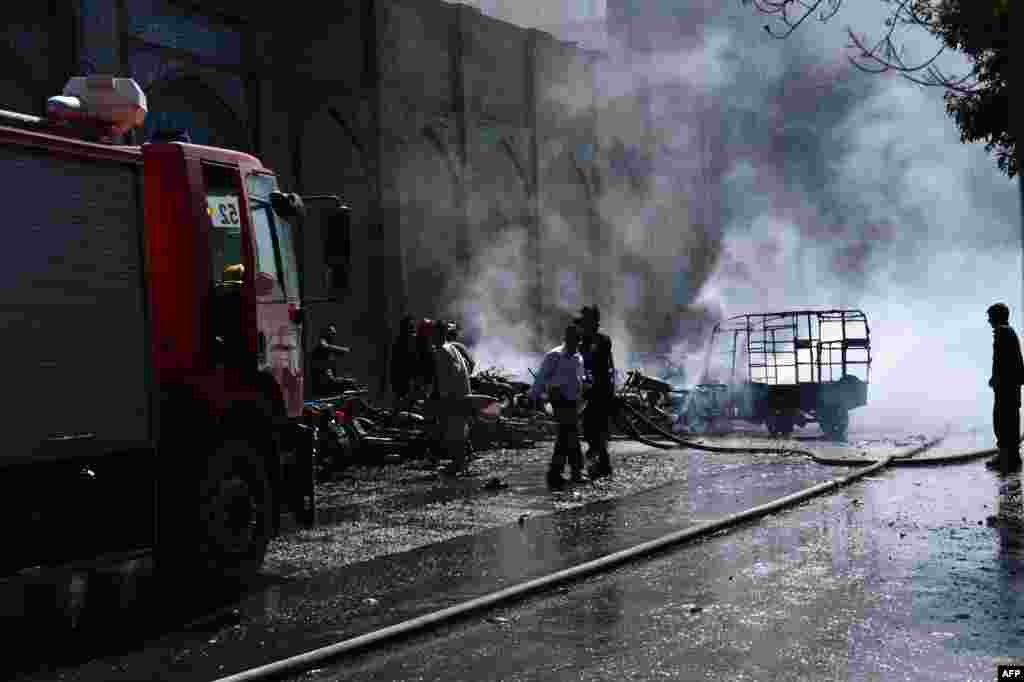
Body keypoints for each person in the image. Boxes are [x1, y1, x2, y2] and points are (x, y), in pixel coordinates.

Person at [528, 323, 587, 488]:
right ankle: (575, 471)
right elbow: (541, 378)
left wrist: (584, 389)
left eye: (578, 341)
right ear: (567, 339)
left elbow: (579, 379)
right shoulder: (553, 356)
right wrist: (532, 397)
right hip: (558, 398)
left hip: (573, 400)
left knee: (565, 435)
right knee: (571, 433)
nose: (576, 344)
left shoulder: (578, 357)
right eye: (573, 340)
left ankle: (556, 472)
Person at [576, 305, 616, 479]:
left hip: (601, 391)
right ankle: (602, 465)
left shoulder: (602, 341)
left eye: (585, 321)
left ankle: (599, 463)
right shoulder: (583, 342)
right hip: (590, 392)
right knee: (590, 430)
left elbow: (601, 364)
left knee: (596, 429)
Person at [430, 319, 472, 474]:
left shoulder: (442, 351)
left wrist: (443, 397)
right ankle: (460, 463)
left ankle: (458, 465)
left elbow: (448, 376)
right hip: (462, 393)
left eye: (433, 333)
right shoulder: (451, 348)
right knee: (458, 429)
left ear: (438, 333)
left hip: (454, 396)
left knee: (453, 430)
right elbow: (466, 367)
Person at [987, 302, 1024, 471]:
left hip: (1006, 388)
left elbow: (1003, 363)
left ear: (997, 317)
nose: (989, 321)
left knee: (1002, 420)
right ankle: (1011, 455)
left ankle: (1006, 456)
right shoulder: (1008, 332)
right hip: (1010, 386)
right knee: (1009, 420)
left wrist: (997, 379)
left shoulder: (1003, 333)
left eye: (990, 317)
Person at [311, 323, 354, 397]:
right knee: (348, 383)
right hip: (322, 386)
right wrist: (343, 349)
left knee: (350, 384)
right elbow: (325, 346)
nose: (333, 335)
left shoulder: (329, 353)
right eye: (331, 333)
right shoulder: (321, 345)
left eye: (334, 333)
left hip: (329, 383)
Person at [390, 315, 418, 413]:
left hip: (408, 383)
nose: (413, 329)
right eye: (410, 327)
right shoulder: (402, 342)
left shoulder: (411, 342)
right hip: (403, 383)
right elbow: (395, 365)